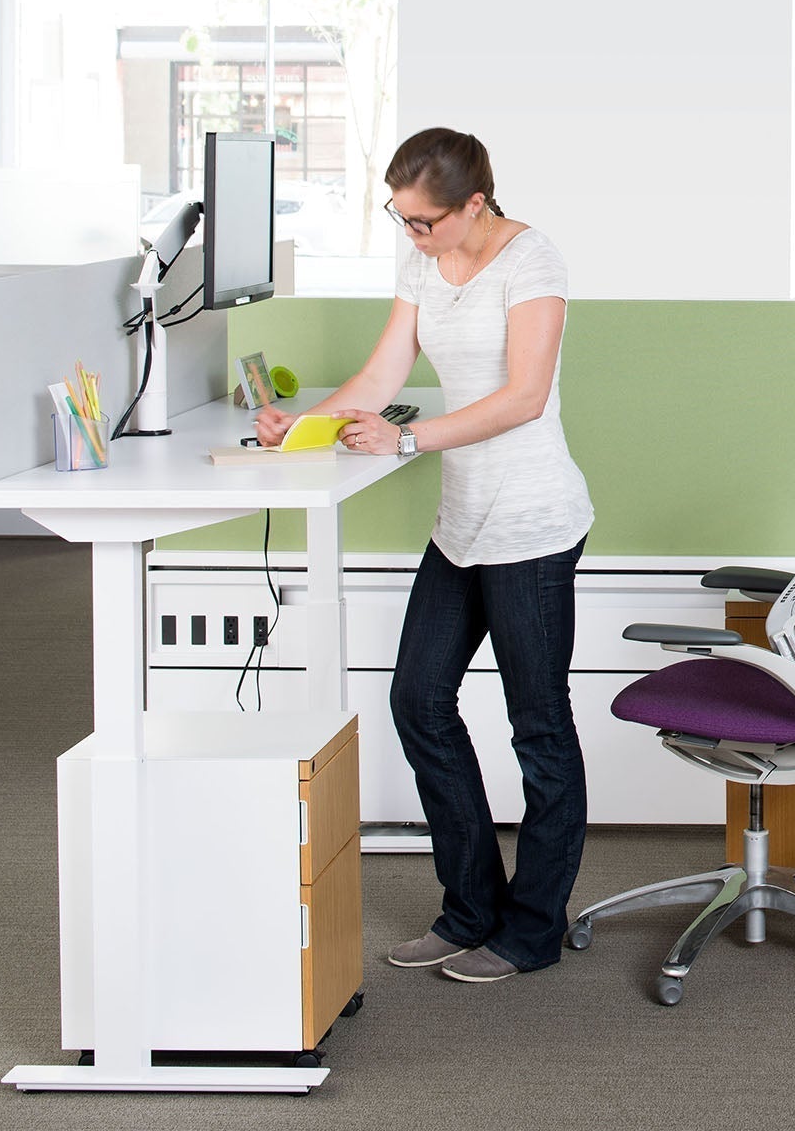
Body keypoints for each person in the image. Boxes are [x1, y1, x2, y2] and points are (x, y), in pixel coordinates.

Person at [257, 128, 595, 983]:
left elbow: (524, 398)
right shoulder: (421, 262)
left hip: (533, 524)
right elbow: (380, 377)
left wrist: (407, 442)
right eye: (401, 218)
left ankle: (532, 929)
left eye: (425, 221)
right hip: (464, 521)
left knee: (539, 726)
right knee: (419, 700)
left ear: (474, 203)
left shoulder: (532, 262)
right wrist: (303, 428)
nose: (412, 235)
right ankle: (470, 909)